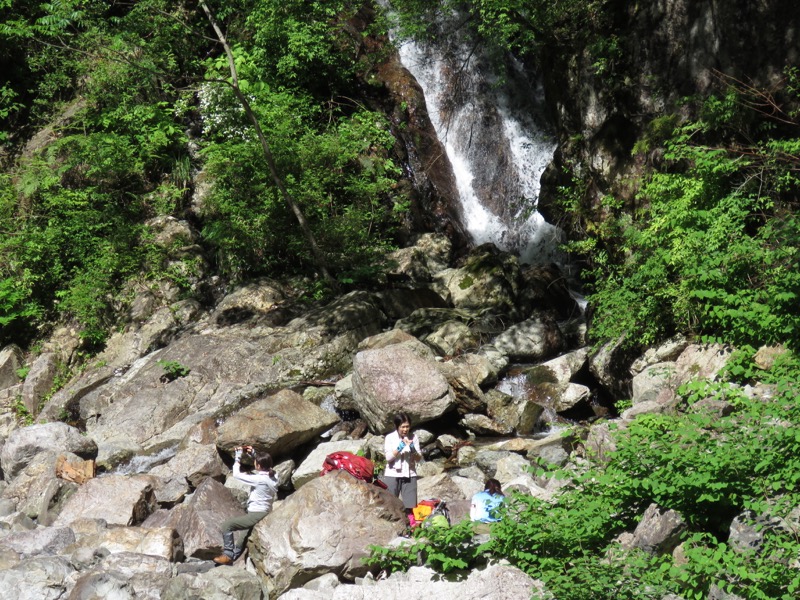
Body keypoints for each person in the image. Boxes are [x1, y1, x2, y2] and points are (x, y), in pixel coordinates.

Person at [213, 445, 278, 565]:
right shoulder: (274, 476)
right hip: (266, 511)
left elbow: (237, 475)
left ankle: (227, 555)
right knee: (242, 538)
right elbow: (267, 467)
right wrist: (254, 454)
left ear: (258, 466)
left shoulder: (259, 479)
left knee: (227, 526)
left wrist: (238, 458)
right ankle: (233, 559)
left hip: (256, 514)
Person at [383, 412, 423, 528]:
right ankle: (392, 527)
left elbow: (418, 459)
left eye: (407, 426)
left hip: (410, 474)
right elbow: (389, 458)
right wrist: (400, 446)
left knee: (410, 505)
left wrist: (412, 448)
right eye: (402, 427)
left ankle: (410, 527)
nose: (405, 429)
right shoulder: (389, 438)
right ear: (397, 426)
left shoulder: (414, 437)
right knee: (390, 503)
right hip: (392, 474)